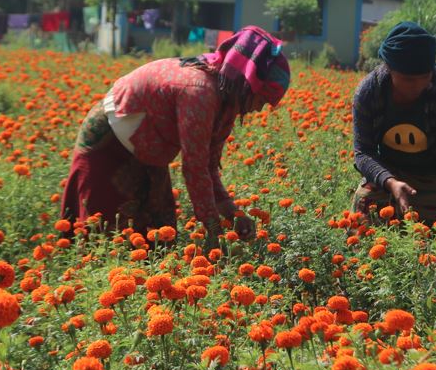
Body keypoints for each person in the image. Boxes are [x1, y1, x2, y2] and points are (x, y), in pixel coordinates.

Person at [61, 26, 291, 245]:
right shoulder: (199, 91)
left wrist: (233, 214)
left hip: (149, 152)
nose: (259, 108)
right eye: (261, 99)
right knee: (99, 235)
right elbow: (194, 168)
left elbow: (209, 167)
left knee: (159, 236)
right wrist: (213, 229)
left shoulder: (227, 101)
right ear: (245, 85)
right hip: (108, 146)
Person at [352, 21, 436, 225]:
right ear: (389, 70)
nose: (417, 85)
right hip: (390, 169)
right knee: (363, 209)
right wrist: (390, 182)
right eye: (408, 79)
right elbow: (363, 152)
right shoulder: (369, 93)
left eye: (424, 77)